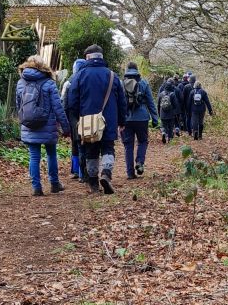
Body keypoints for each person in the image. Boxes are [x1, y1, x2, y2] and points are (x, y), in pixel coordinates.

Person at [63, 43, 128, 195]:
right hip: (109, 120)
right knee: (108, 148)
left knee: (91, 151)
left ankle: (93, 183)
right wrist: (122, 121)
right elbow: (122, 101)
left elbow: (72, 102)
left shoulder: (79, 76)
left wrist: (75, 120)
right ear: (101, 57)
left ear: (87, 57)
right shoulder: (112, 75)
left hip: (87, 121)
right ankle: (106, 173)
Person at [16, 56, 70, 195]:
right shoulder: (49, 83)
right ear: (43, 66)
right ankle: (54, 184)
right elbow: (58, 107)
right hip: (48, 124)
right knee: (51, 154)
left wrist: (23, 121)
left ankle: (36, 187)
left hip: (29, 124)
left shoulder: (21, 82)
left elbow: (18, 106)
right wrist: (66, 128)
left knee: (34, 156)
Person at [120, 62, 158, 178]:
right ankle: (140, 162)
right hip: (142, 118)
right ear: (137, 70)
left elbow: (119, 103)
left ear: (127, 70)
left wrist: (118, 119)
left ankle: (130, 173)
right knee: (142, 141)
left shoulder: (121, 84)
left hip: (126, 118)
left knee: (128, 145)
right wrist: (155, 119)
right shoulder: (144, 83)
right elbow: (151, 102)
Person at [61, 57, 85, 179]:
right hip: (86, 116)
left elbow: (63, 102)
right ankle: (83, 173)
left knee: (75, 143)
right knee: (84, 143)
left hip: (72, 117)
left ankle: (76, 170)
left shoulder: (68, 82)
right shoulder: (86, 80)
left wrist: (64, 121)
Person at [157, 77, 181, 143]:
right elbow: (176, 105)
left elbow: (158, 104)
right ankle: (170, 139)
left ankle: (163, 133)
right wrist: (176, 112)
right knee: (170, 127)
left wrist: (159, 113)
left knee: (163, 125)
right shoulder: (172, 94)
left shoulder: (161, 94)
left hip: (162, 114)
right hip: (171, 114)